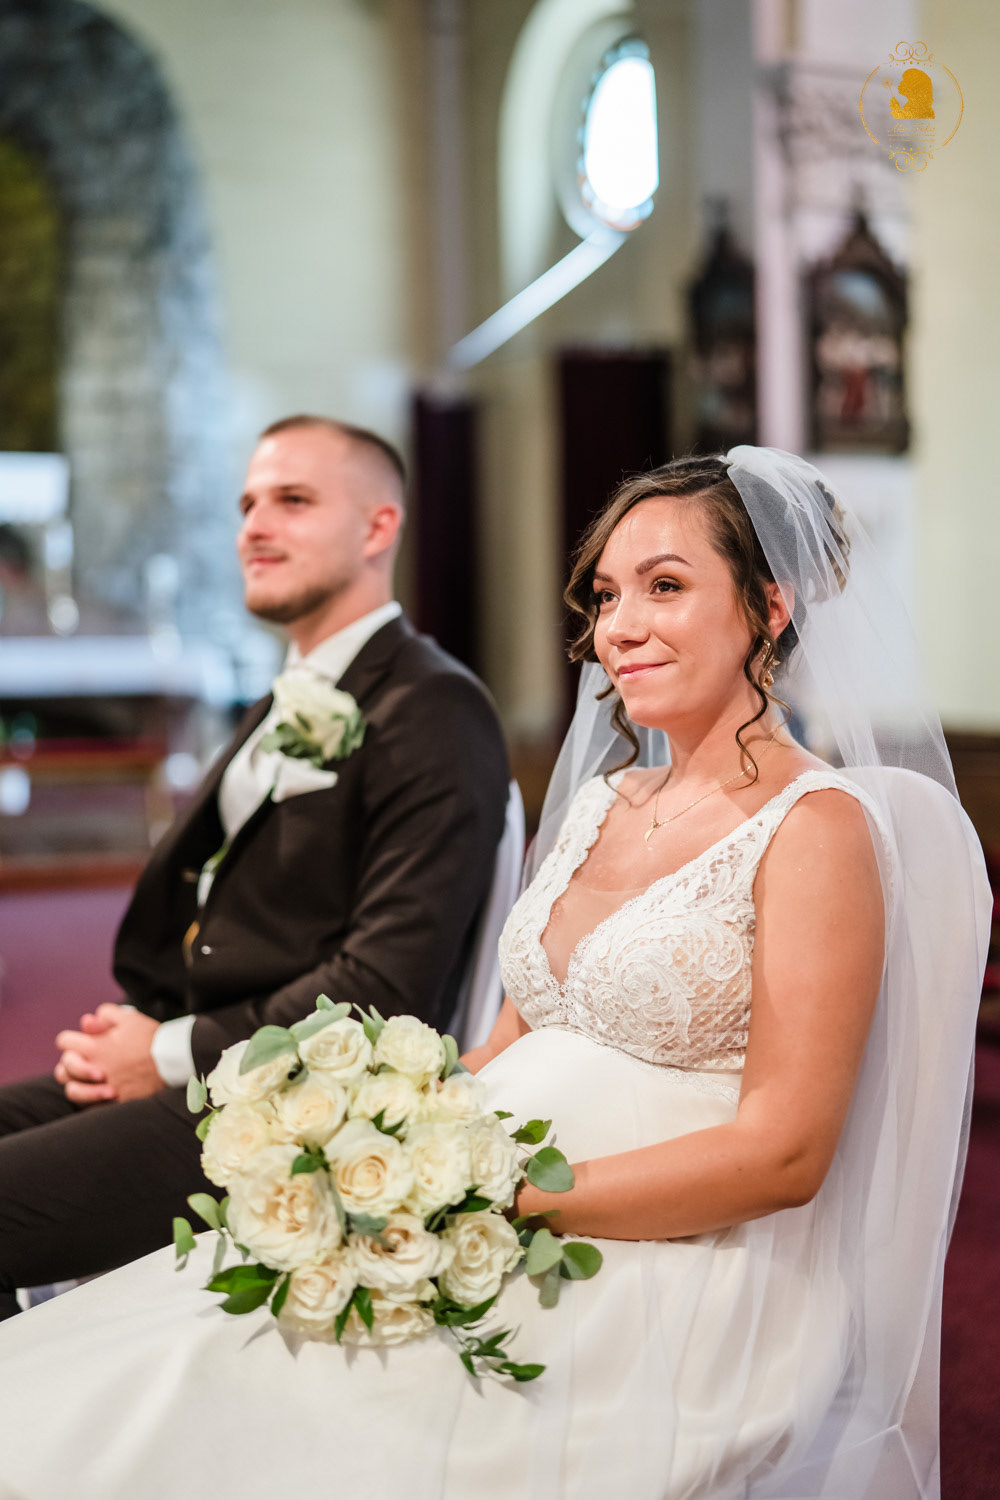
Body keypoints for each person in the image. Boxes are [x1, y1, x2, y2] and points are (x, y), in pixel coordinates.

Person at [0, 448, 988, 1500]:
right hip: (470, 1203)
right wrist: (377, 1139)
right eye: (606, 595)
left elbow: (784, 1152)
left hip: (651, 1262)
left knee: (223, 1408)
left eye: (664, 586)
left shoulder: (815, 827)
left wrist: (510, 1201)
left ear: (769, 607)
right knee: (158, 1343)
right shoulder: (605, 800)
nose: (620, 626)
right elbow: (512, 1040)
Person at [0, 415, 510, 1318]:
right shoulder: (292, 694)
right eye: (246, 505)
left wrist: (165, 1052)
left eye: (293, 501)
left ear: (378, 526)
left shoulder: (433, 707)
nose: (254, 527)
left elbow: (384, 989)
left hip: (295, 1104)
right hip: (204, 1051)